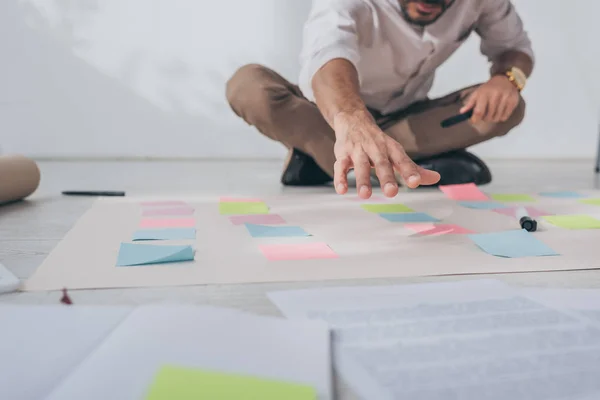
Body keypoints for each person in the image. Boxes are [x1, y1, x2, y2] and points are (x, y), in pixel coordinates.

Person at [226, 0, 533, 199]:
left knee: (508, 107)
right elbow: (328, 55)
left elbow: (514, 47)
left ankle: (326, 160)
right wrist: (352, 118)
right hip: (331, 117)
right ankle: (399, 165)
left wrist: (507, 79)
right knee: (248, 87)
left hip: (410, 121)